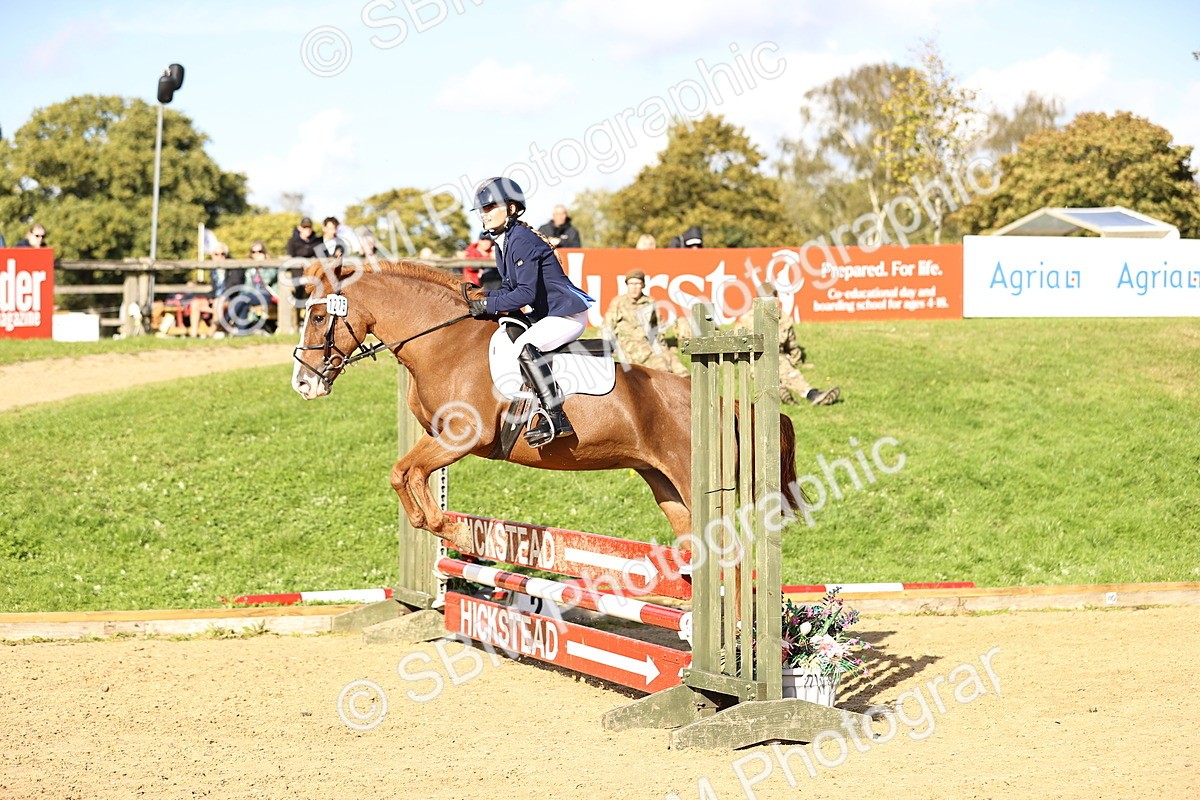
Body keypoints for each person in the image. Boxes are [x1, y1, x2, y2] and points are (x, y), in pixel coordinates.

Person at [466, 177, 595, 447]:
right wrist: (480, 295)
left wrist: (488, 305)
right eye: (482, 210)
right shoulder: (505, 242)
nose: (484, 215)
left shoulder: (521, 240)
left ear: (511, 208)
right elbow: (509, 289)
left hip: (566, 315)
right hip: (548, 313)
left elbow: (525, 295)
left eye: (490, 208)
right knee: (508, 332)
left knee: (525, 344)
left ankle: (557, 417)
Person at [737, 284, 840, 406]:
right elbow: (735, 344)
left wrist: (798, 362)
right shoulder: (748, 319)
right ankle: (790, 392)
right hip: (757, 356)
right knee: (773, 372)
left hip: (773, 356)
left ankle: (804, 393)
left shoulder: (781, 318)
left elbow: (792, 345)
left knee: (786, 373)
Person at [601, 269, 688, 377]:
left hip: (650, 341)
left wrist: (663, 347)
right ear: (627, 285)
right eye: (631, 284)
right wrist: (607, 347)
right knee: (661, 365)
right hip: (631, 343)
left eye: (638, 284)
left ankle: (690, 387)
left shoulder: (650, 301)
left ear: (643, 285)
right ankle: (666, 384)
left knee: (675, 362)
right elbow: (607, 326)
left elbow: (658, 326)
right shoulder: (618, 302)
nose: (634, 287)